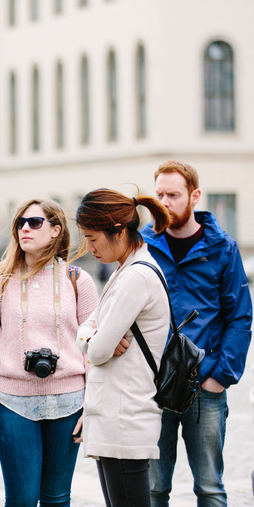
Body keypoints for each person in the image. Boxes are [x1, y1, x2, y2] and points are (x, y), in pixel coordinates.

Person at [0, 198, 99, 506]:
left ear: (56, 230)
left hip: (69, 404)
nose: (24, 229)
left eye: (35, 222)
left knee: (56, 499)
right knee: (22, 500)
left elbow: (93, 350)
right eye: (20, 223)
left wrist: (93, 405)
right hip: (12, 403)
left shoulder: (78, 281)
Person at [141, 160, 252, 506]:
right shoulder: (142, 244)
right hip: (151, 386)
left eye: (173, 195)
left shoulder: (223, 248)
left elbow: (241, 317)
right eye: (158, 194)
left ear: (195, 195)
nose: (164, 202)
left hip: (205, 387)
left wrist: (220, 376)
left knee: (209, 488)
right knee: (154, 488)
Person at [73, 189, 172, 507]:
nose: (89, 247)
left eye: (92, 238)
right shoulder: (125, 270)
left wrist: (93, 339)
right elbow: (86, 331)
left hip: (124, 421)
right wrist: (92, 336)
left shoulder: (136, 277)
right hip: (116, 420)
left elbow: (99, 350)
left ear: (118, 231)